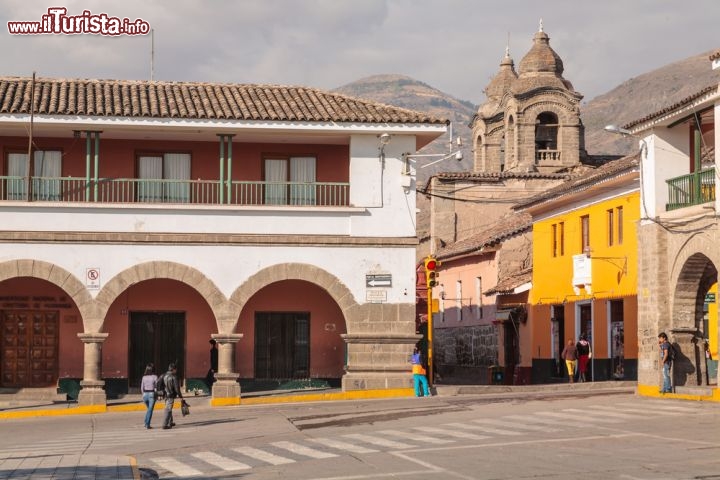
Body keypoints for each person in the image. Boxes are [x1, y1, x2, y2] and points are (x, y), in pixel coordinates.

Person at [162, 363, 183, 429]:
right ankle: (164, 424)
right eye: (176, 369)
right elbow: (177, 388)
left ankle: (170, 422)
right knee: (168, 409)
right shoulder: (174, 377)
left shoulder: (164, 375)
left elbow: (160, 384)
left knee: (168, 407)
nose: (176, 371)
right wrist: (181, 397)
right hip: (170, 395)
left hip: (165, 395)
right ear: (173, 369)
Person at [140, 363, 158, 429]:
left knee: (149, 410)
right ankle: (147, 424)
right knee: (150, 410)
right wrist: (156, 395)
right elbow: (156, 387)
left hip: (145, 395)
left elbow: (142, 388)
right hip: (151, 394)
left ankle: (145, 423)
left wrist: (143, 395)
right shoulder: (155, 377)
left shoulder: (144, 377)